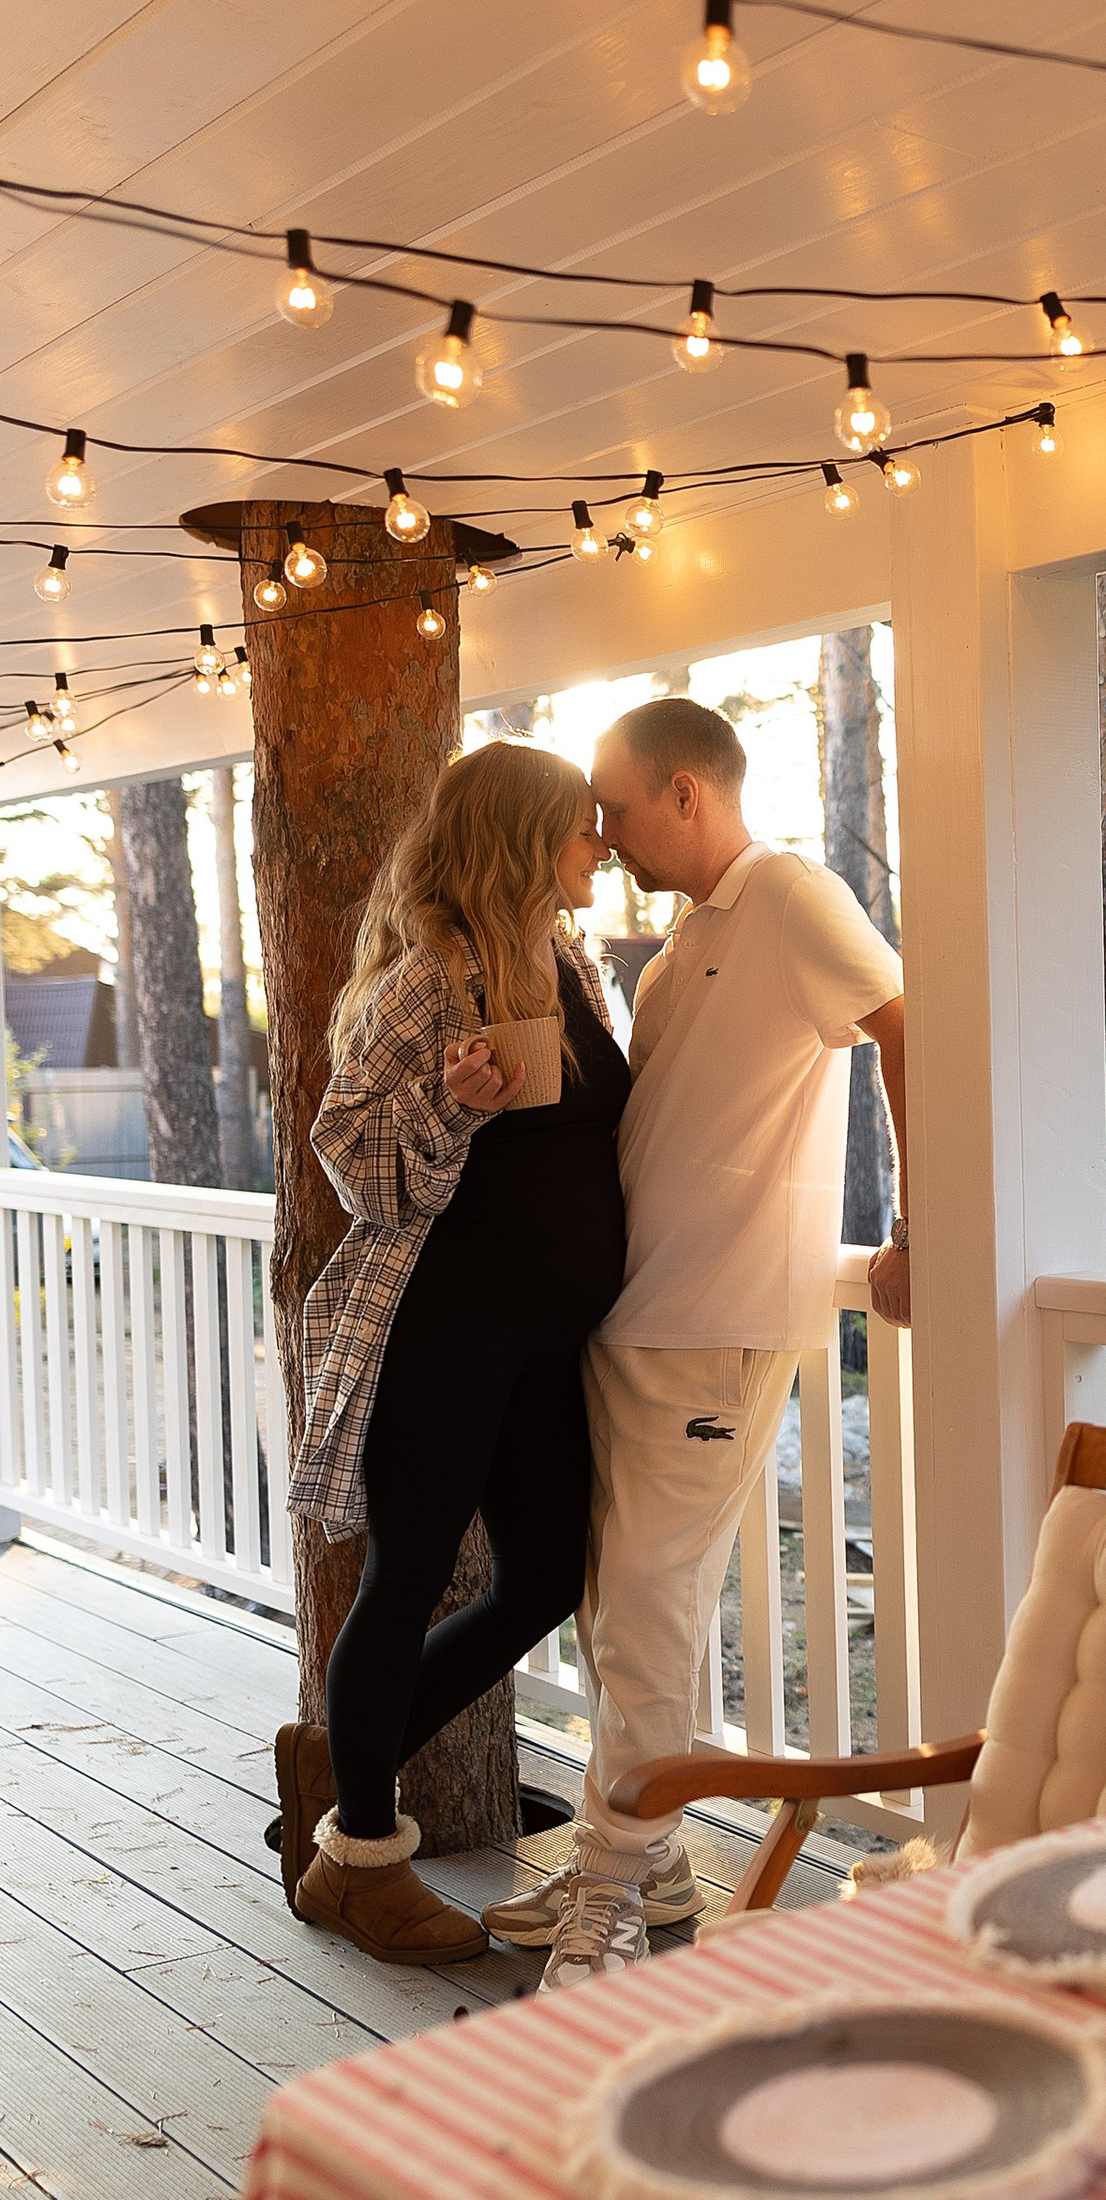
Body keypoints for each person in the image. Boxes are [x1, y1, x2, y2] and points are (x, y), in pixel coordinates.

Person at [485, 695, 906, 1986]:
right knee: (617, 1605)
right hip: (634, 1315)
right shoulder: (681, 944)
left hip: (717, 1320)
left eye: (615, 808)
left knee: (652, 1609)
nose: (602, 836)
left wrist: (918, 1226)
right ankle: (652, 1860)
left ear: (686, 790)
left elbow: (907, 1025)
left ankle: (613, 1887)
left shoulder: (792, 896)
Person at [274, 743, 627, 1960]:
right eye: (580, 826)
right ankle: (360, 1861)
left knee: (542, 1578)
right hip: (445, 1325)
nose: (599, 844)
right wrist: (450, 1104)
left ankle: (345, 1757)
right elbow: (350, 1161)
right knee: (409, 1571)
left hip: (546, 1341)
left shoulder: (574, 962)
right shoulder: (428, 979)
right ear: (523, 840)